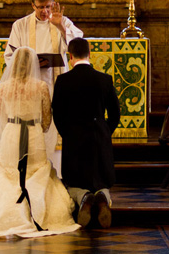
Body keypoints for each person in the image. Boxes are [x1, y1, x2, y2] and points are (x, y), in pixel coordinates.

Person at [0, 47, 80, 238]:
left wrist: (15, 124)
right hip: (34, 135)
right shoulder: (41, 87)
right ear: (33, 65)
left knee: (9, 172)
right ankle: (36, 212)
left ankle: (3, 213)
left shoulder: (4, 87)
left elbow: (1, 117)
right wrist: (36, 126)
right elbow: (47, 121)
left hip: (11, 135)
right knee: (35, 169)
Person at [5, 0, 83, 170]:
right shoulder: (20, 25)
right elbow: (10, 56)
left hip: (58, 83)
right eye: (40, 7)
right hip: (31, 85)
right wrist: (30, 63)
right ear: (32, 5)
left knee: (57, 124)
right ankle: (34, 167)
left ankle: (56, 169)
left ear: (54, 4)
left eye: (48, 7)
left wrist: (60, 27)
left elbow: (78, 47)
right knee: (36, 125)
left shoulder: (62, 21)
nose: (45, 11)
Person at [52, 37, 120, 228]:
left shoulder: (63, 80)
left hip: (74, 136)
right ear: (90, 54)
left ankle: (83, 198)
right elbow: (115, 113)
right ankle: (103, 198)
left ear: (70, 56)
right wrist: (106, 131)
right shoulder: (104, 79)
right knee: (102, 180)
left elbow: (57, 113)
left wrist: (68, 133)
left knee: (74, 181)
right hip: (99, 135)